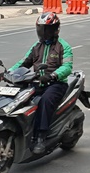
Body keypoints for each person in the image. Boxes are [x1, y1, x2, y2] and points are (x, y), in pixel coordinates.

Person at [8, 13, 73, 154]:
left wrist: (53, 75)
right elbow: (24, 62)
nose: (44, 33)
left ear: (55, 29)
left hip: (56, 84)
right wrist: (9, 72)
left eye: (47, 30)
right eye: (41, 29)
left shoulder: (63, 46)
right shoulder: (37, 46)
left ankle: (40, 137)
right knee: (21, 99)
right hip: (37, 82)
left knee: (45, 101)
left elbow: (67, 67)